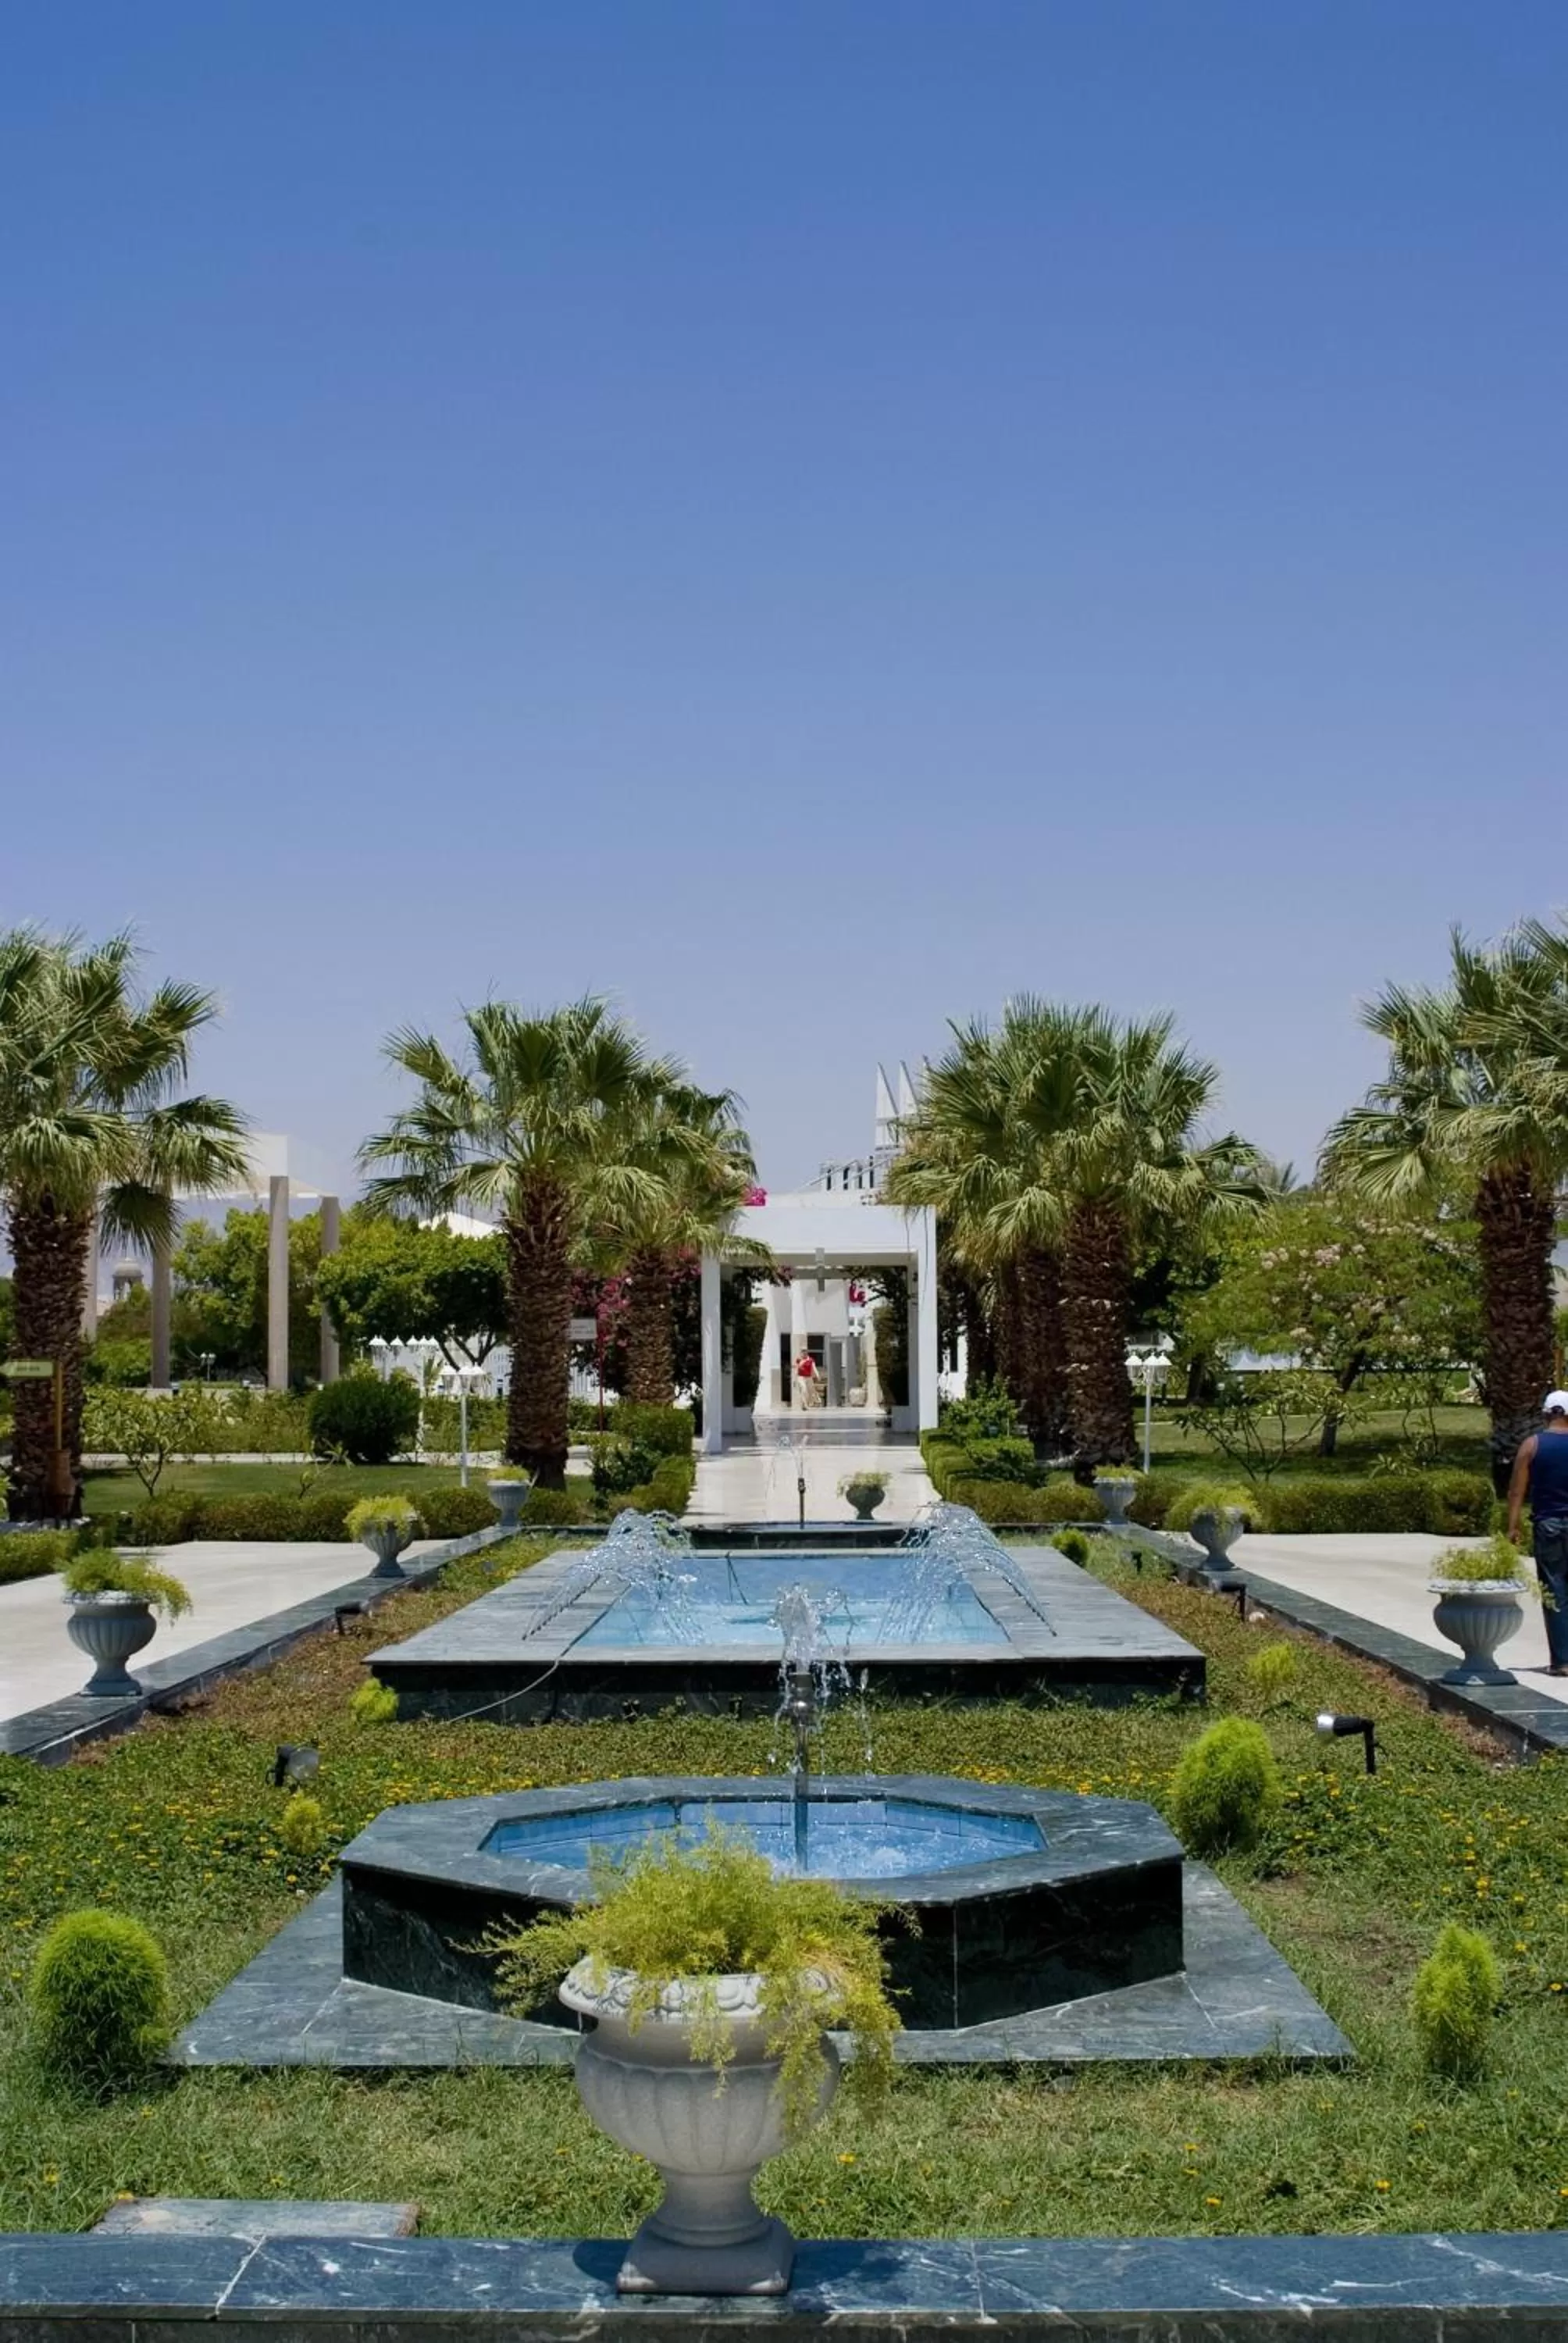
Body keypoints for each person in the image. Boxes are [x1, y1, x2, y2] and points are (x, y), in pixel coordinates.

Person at [1506, 1389, 1568, 1676]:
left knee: (1554, 1590)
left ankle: (1562, 1661)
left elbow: (1517, 1490)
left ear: (1546, 1414)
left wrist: (1513, 1526)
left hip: (1549, 1525)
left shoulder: (1532, 1445)